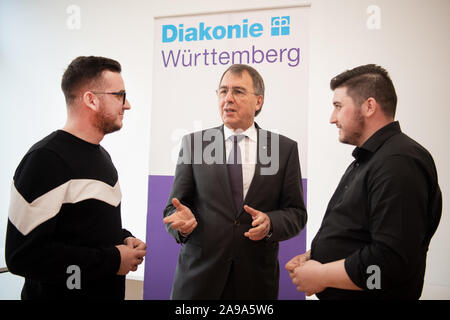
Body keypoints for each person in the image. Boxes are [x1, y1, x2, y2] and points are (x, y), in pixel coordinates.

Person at [286, 64, 442, 299]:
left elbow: (389, 263)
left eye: (338, 106)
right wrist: (313, 257)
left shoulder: (398, 162)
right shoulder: (373, 158)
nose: (332, 118)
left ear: (369, 106)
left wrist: (322, 275)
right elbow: (357, 232)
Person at [5, 56, 146, 300]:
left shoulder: (103, 158)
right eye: (120, 95)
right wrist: (113, 259)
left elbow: (83, 229)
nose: (127, 105)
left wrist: (123, 239)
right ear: (91, 99)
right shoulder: (45, 159)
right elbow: (23, 256)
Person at [163, 64, 307, 299]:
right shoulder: (194, 145)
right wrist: (180, 224)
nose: (228, 98)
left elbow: (297, 213)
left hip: (255, 283)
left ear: (258, 101)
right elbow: (173, 207)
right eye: (223, 91)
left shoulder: (283, 149)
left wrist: (270, 222)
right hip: (198, 281)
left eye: (238, 91)